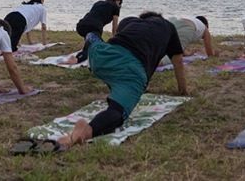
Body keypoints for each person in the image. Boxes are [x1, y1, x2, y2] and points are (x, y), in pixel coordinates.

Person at [53, 12, 188, 150]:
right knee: (117, 112)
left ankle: (80, 54)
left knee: (92, 37)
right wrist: (183, 91)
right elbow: (178, 61)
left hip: (101, 57)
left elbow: (118, 39)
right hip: (132, 71)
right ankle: (86, 131)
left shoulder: (130, 21)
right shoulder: (169, 27)